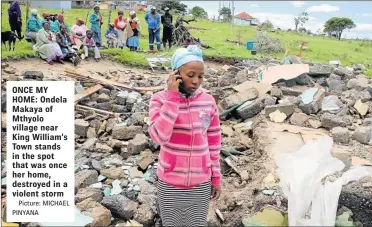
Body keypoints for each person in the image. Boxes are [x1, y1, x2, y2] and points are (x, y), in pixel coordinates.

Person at [148, 45, 222, 226]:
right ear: (176, 74)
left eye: (201, 76)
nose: (196, 81)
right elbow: (159, 137)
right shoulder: (160, 100)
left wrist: (216, 177)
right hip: (170, 184)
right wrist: (173, 98)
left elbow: (213, 143)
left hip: (200, 184)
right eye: (191, 75)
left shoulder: (208, 101)